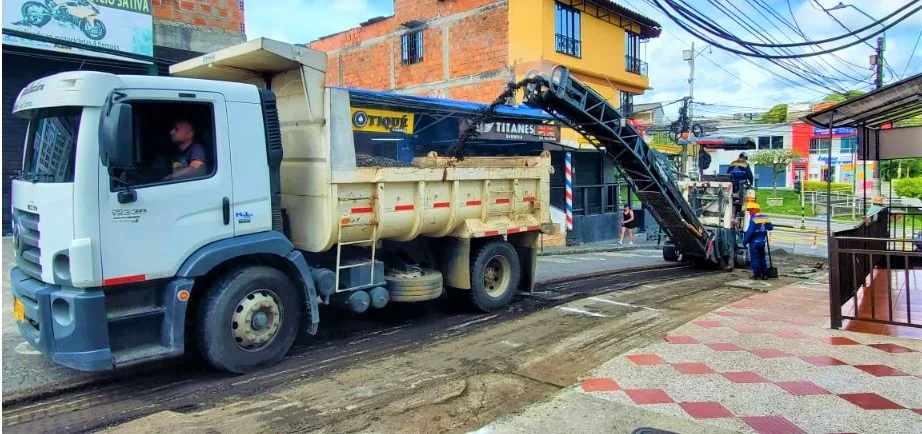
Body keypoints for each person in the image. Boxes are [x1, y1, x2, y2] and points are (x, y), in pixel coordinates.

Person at [743, 203, 774, 280]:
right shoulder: (765, 217)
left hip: (754, 242)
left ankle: (757, 274)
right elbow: (770, 227)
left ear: (754, 210)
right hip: (762, 241)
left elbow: (750, 232)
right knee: (762, 258)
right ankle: (765, 274)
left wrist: (745, 242)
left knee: (755, 259)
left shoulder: (753, 219)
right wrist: (764, 227)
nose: (749, 212)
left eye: (750, 210)